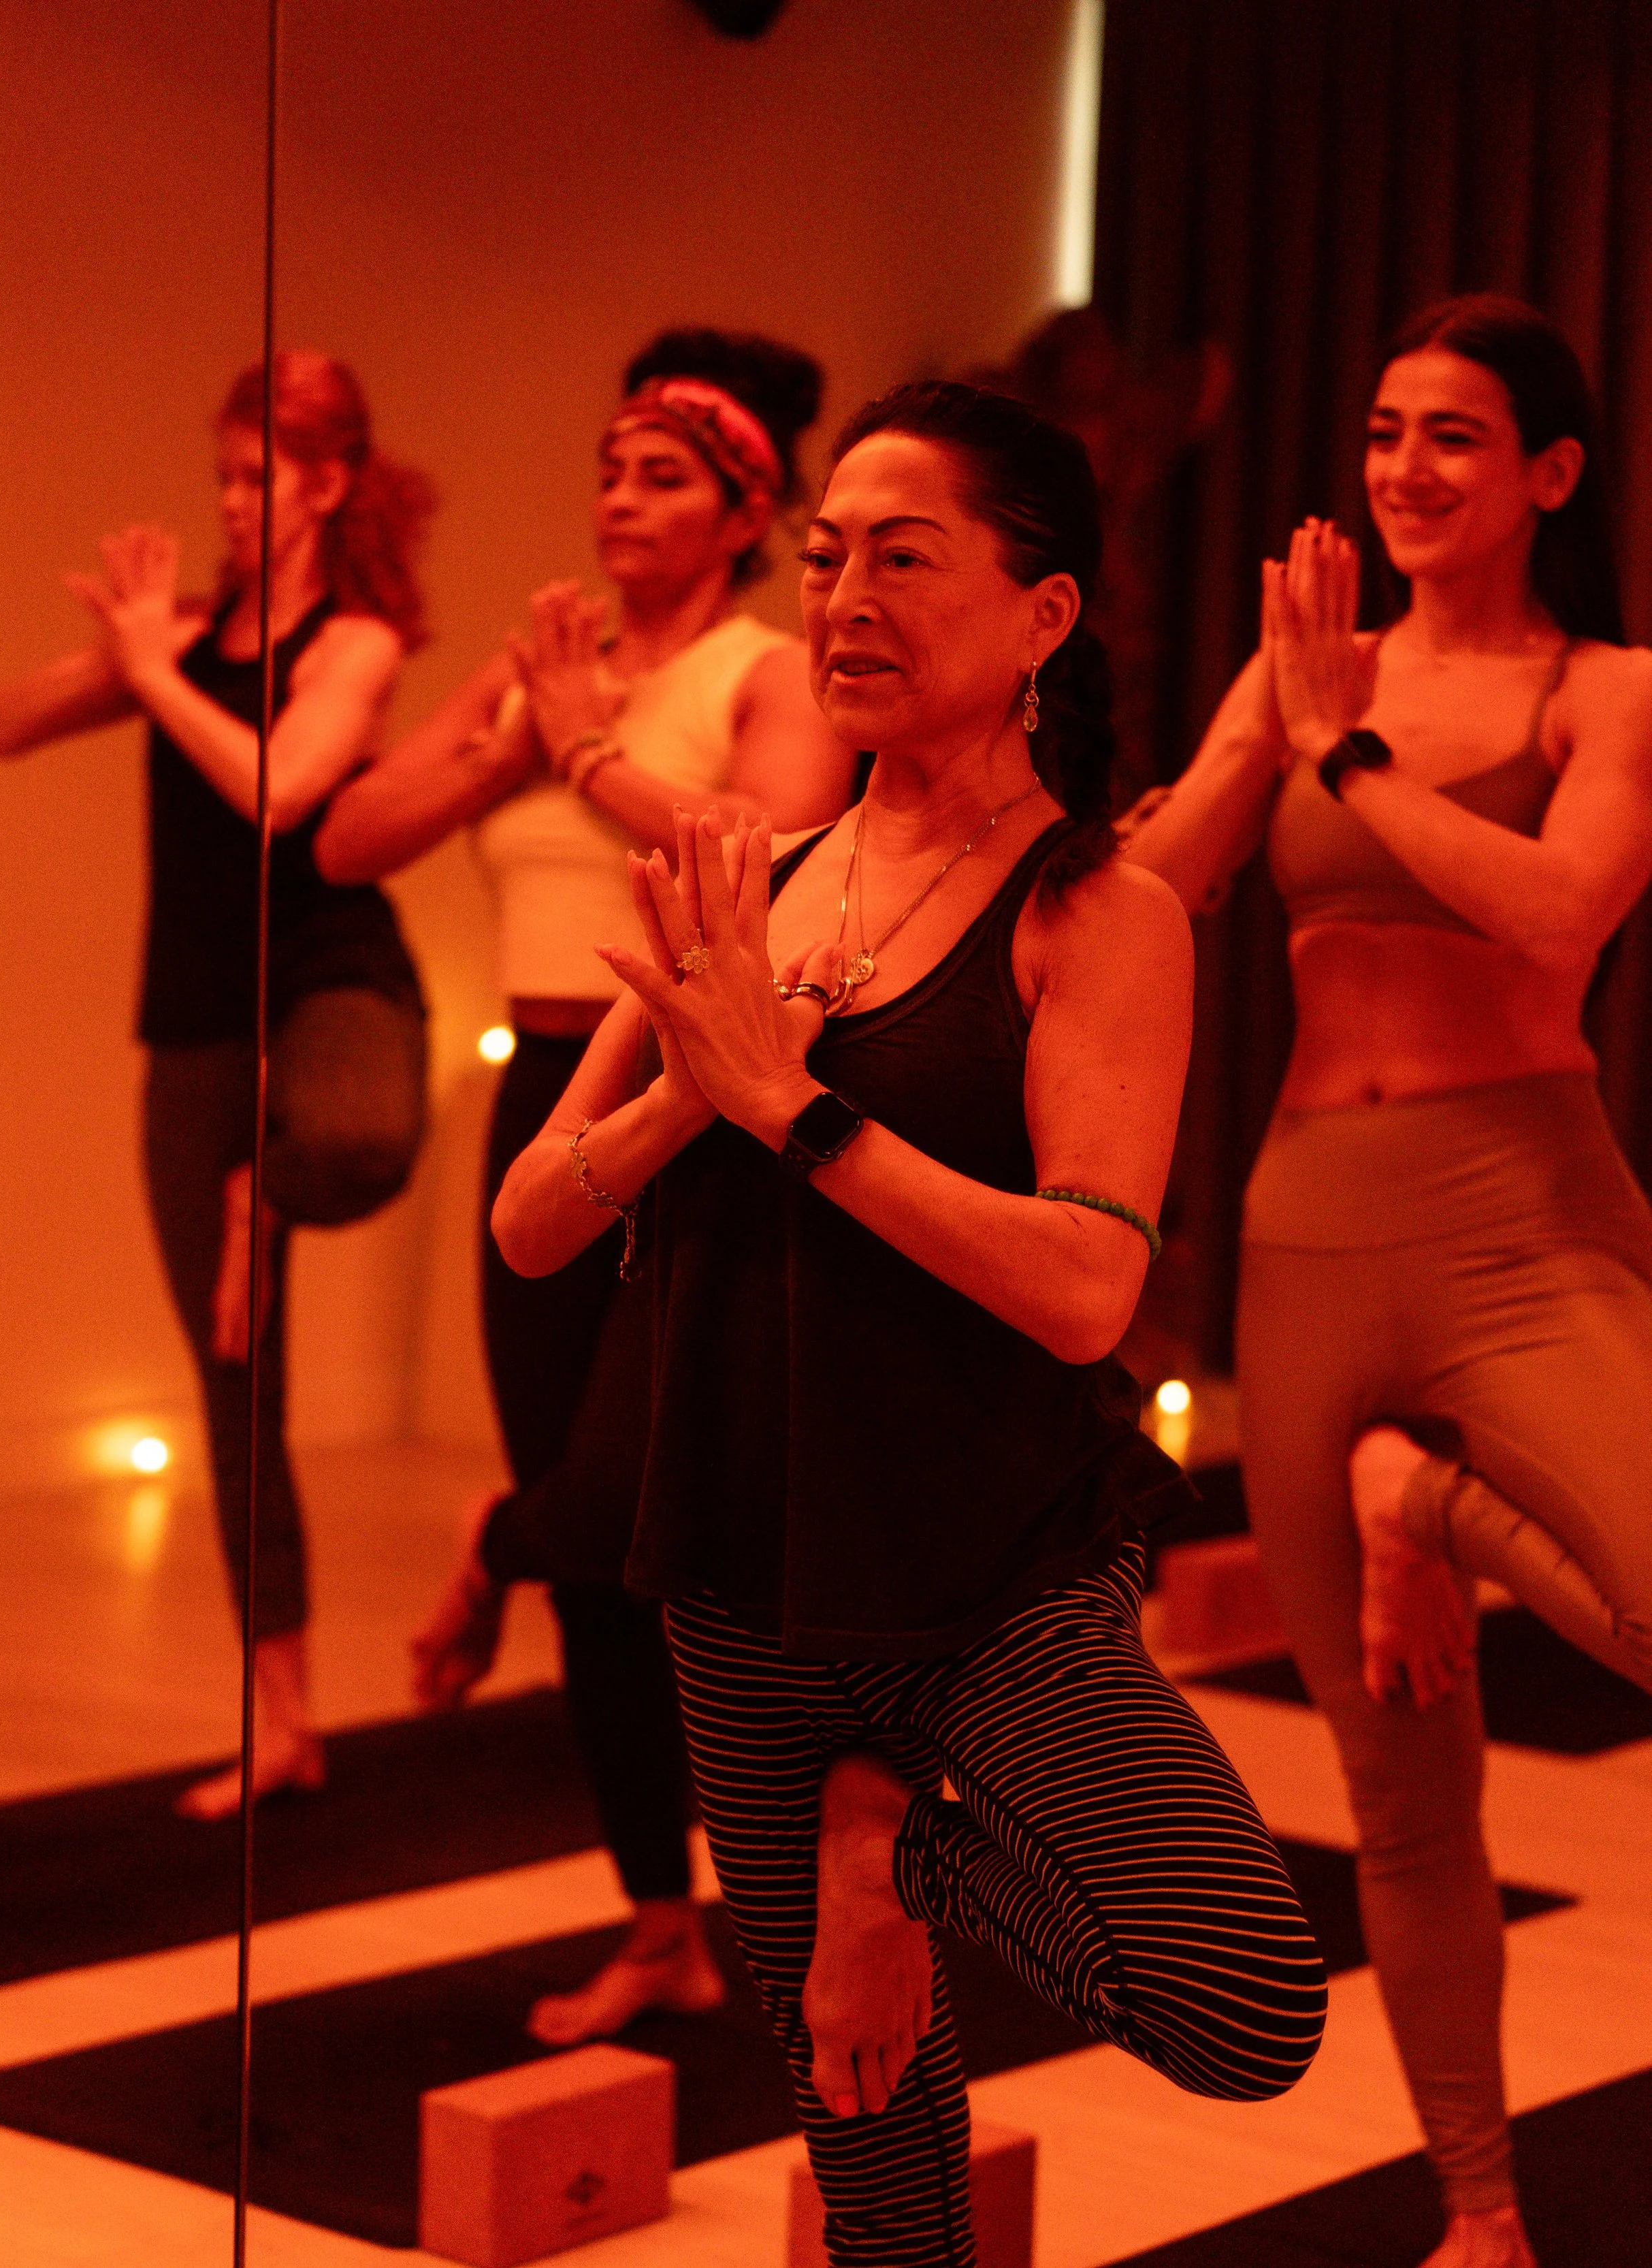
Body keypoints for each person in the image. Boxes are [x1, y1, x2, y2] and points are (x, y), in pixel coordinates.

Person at [490, 380, 1328, 2265]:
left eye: (901, 555)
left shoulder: (1093, 909)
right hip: (742, 1590)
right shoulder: (743, 881)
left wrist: (795, 1111)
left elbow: (1084, 1281)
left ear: (1041, 615)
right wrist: (692, 1091)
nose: (845, 596)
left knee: (1242, 2006)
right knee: (876, 2164)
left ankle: (898, 1841)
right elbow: (533, 1223)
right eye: (823, 558)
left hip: (990, 1587)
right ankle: (865, 1851)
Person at [1122, 295, 1652, 2268]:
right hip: (1307, 1224)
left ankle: (1422, 1496)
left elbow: (1558, 902)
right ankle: (1480, 2214)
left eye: (1452, 435)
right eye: (1380, 431)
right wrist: (1259, 724)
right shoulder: (1294, 679)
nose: (1405, 468)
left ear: (1546, 475)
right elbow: (1162, 887)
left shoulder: (1605, 688)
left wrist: (1339, 740)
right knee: (1399, 1792)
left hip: (1525, 1208)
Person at [315, 328, 856, 2043]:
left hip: (704, 1098)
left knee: (631, 1518)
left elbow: (774, 850)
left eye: (665, 477)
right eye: (611, 470)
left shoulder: (768, 670)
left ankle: (501, 1550)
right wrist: (512, 741)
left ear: (743, 510)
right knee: (589, 1519)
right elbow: (344, 838)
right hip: (539, 1089)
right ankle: (653, 1918)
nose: (623, 502)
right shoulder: (547, 656)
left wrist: (591, 757)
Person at [0, 351, 432, 1819]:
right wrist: (121, 650)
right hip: (194, 1017)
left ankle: (264, 1192)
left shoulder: (358, 641)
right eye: (222, 475)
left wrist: (158, 674)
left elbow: (283, 787)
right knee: (236, 1397)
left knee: (357, 1135)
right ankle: (281, 1716)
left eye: (261, 477)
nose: (233, 504)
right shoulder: (187, 635)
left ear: (330, 483)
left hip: (336, 975)